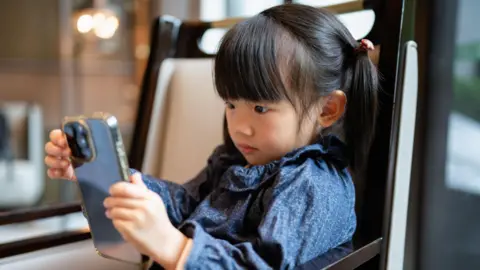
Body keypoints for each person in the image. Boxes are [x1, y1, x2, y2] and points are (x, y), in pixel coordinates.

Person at [44, 3, 378, 269]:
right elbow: (184, 203)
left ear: (327, 109)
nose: (240, 127)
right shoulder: (234, 160)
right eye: (232, 104)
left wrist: (174, 248)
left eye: (260, 109)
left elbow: (261, 265)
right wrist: (107, 179)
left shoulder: (314, 185)